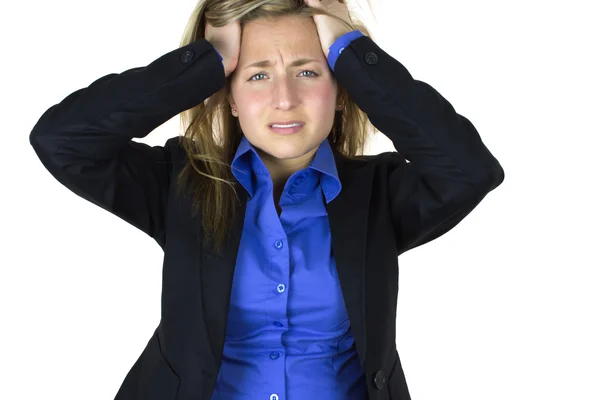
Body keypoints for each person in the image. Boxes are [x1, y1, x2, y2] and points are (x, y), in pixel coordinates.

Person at [28, 0, 504, 399]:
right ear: (229, 95)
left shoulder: (378, 195)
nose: (284, 98)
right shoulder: (181, 182)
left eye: (308, 71)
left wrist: (353, 52)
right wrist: (206, 60)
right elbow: (62, 140)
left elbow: (470, 170)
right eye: (257, 76)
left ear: (340, 90)